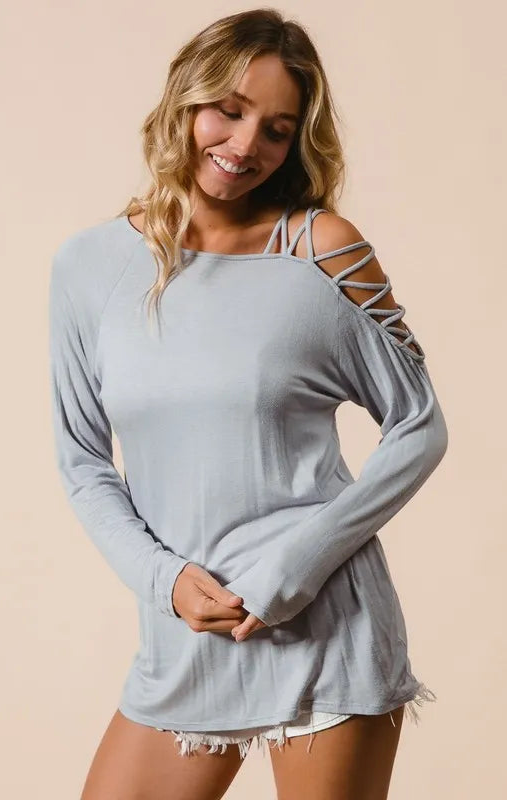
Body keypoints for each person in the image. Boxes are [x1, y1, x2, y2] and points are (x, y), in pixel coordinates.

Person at [48, 8, 449, 800]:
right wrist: (164, 581)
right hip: (184, 636)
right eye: (227, 111)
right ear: (185, 100)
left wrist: (292, 569)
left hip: (323, 625)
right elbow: (82, 460)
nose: (244, 145)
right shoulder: (89, 266)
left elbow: (419, 426)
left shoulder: (319, 250)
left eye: (276, 129)